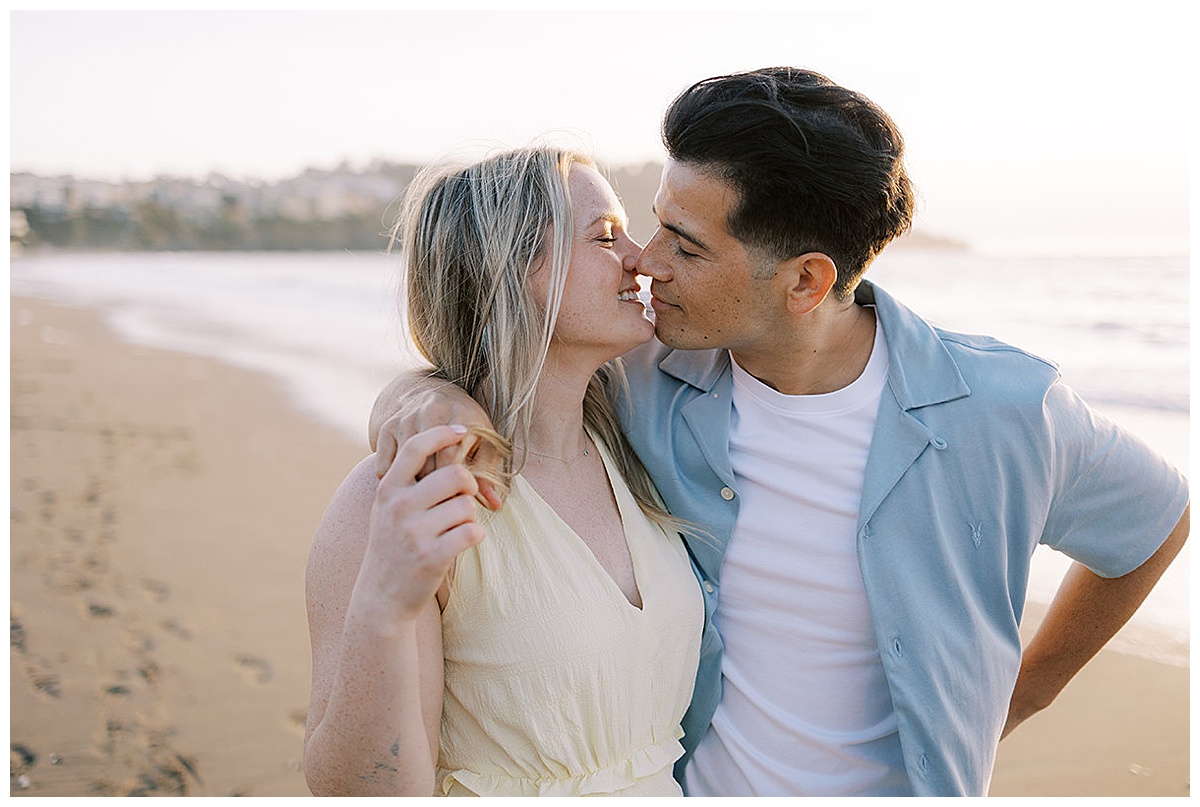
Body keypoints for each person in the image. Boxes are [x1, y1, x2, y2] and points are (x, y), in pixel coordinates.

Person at [369, 68, 1190, 797]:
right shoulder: (644, 377)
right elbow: (507, 360)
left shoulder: (1006, 410)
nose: (646, 261)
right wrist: (426, 397)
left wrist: (1025, 690)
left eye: (685, 246)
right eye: (653, 225)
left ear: (806, 280)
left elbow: (1158, 519)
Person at [304, 146, 704, 796]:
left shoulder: (639, 439)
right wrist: (382, 606)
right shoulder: (407, 493)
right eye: (606, 235)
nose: (643, 256)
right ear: (513, 272)